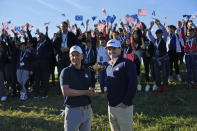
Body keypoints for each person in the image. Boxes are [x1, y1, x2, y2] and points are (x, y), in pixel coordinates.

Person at [59, 45, 98, 131]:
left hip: (87, 110)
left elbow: (90, 87)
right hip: (73, 111)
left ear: (82, 56)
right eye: (72, 55)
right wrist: (86, 92)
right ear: (69, 57)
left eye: (77, 55)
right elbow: (65, 91)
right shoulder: (66, 72)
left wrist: (93, 90)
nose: (75, 57)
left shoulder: (87, 71)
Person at [104, 39, 137, 131]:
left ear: (120, 49)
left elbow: (133, 84)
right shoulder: (108, 66)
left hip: (123, 107)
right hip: (111, 106)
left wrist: (126, 102)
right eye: (109, 49)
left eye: (114, 48)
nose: (111, 51)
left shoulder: (127, 63)